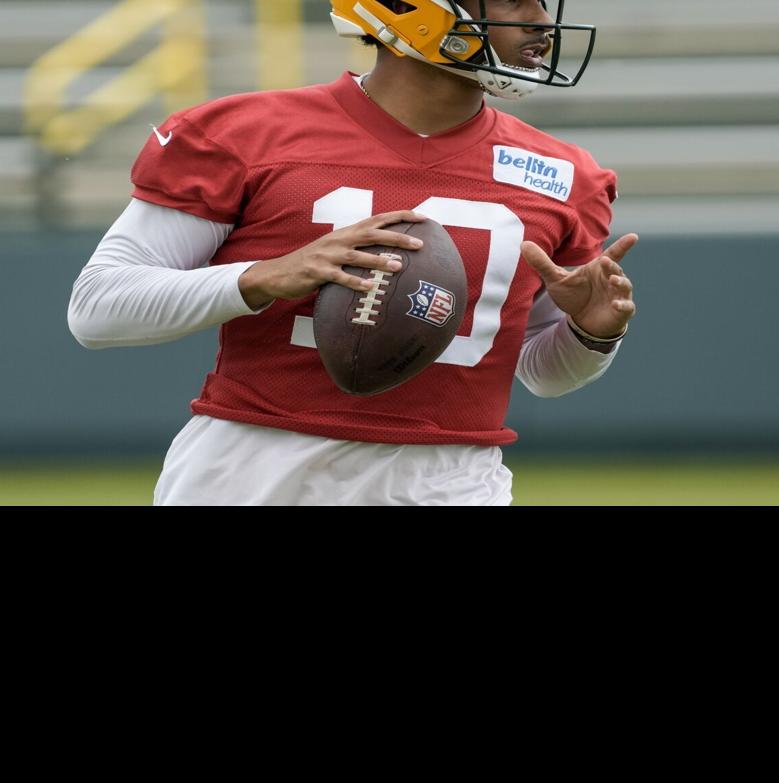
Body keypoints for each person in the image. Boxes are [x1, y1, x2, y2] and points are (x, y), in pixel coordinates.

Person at [67, 0, 637, 505]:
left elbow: (543, 374)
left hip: (451, 480)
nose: (541, 22)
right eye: (513, 1)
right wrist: (264, 277)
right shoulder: (243, 134)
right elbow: (97, 308)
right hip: (251, 472)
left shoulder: (566, 176)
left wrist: (591, 335)